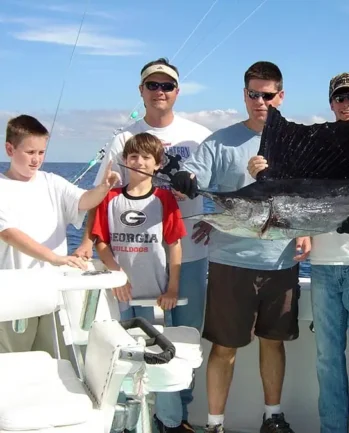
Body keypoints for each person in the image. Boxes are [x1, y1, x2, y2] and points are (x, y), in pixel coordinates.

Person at [74, 58, 212, 432]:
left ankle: (176, 418)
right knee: (133, 339)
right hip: (133, 261)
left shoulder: (198, 135)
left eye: (167, 86)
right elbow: (102, 197)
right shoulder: (123, 138)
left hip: (188, 254)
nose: (160, 92)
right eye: (152, 85)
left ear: (177, 92)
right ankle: (137, 417)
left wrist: (212, 221)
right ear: (141, 91)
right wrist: (88, 242)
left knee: (185, 340)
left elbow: (221, 186)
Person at [248, 72, 349, 433]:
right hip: (323, 268)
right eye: (340, 98)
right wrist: (260, 169)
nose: (347, 104)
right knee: (327, 361)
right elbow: (287, 195)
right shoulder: (316, 148)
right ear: (331, 103)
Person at [170, 61, 301, 433]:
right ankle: (214, 425)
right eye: (254, 94)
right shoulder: (220, 141)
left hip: (280, 261)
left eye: (269, 94)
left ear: (281, 95)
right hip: (230, 261)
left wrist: (273, 176)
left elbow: (309, 196)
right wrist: (185, 178)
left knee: (273, 343)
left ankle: (272, 417)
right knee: (224, 348)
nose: (261, 101)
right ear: (244, 95)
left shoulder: (294, 143)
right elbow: (194, 174)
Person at [0, 114, 120, 357]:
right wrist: (54, 258)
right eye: (30, 152)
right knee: (14, 364)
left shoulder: (52, 182)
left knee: (54, 361)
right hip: (14, 294)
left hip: (53, 291)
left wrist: (103, 188)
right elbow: (10, 234)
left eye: (41, 153)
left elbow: (84, 201)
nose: (36, 160)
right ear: (10, 149)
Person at [91, 132, 187, 322]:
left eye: (146, 157)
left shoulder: (164, 199)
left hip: (155, 295)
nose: (139, 162)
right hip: (118, 291)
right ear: (125, 160)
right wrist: (118, 277)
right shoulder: (110, 198)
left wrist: (172, 290)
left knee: (153, 344)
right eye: (133, 157)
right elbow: (100, 242)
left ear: (158, 164)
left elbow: (174, 245)